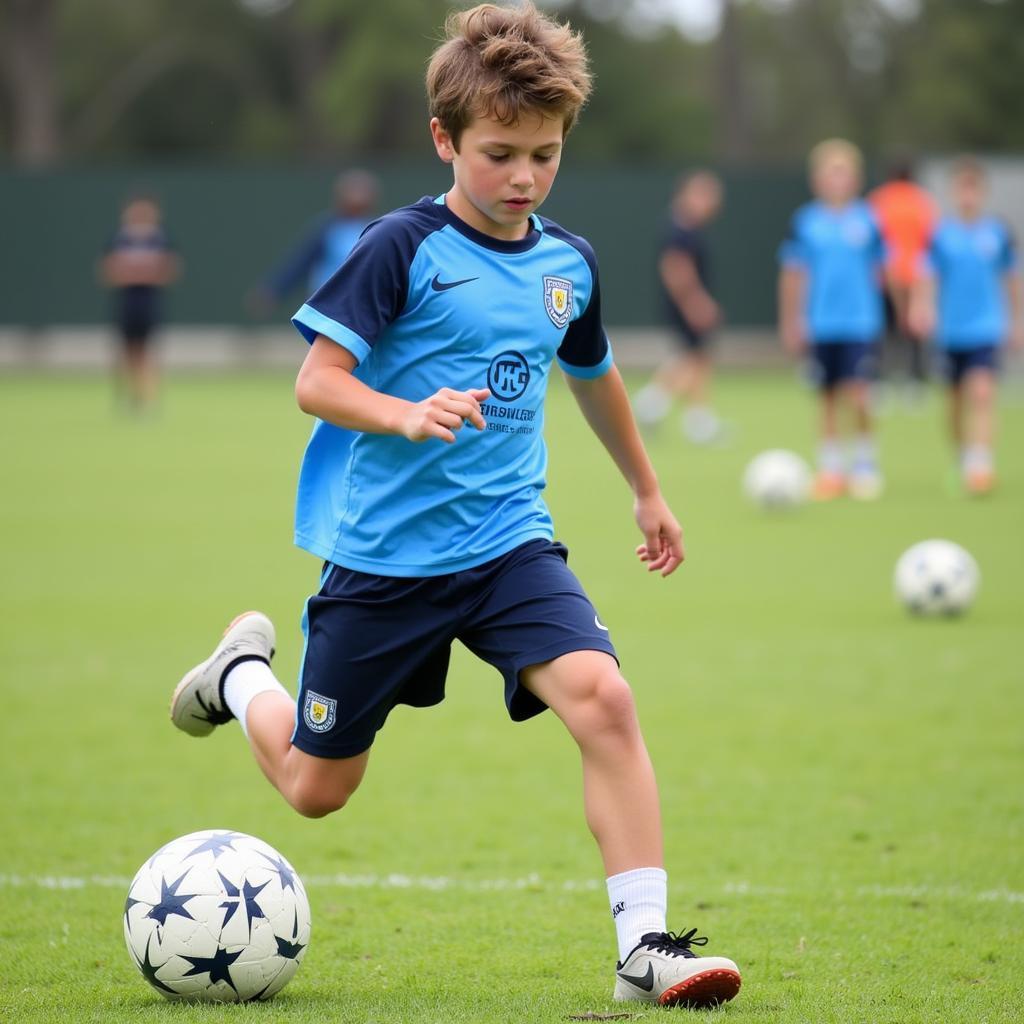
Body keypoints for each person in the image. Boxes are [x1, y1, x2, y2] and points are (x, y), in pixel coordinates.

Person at [169, 2, 741, 1009]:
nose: (523, 177)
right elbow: (317, 379)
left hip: (509, 546)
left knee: (605, 699)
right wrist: (402, 411)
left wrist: (647, 490)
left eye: (545, 155)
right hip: (386, 561)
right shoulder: (401, 246)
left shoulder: (568, 263)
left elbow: (595, 374)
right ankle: (241, 674)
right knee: (315, 789)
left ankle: (644, 947)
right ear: (445, 140)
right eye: (499, 153)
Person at [778, 139, 885, 501]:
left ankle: (866, 464)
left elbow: (882, 269)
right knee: (826, 397)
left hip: (860, 322)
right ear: (817, 180)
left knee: (859, 394)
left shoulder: (869, 220)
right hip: (821, 323)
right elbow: (794, 274)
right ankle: (831, 469)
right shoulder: (806, 222)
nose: (837, 180)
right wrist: (792, 320)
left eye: (844, 173)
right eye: (830, 173)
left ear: (856, 179)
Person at [909, 157, 1023, 495]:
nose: (967, 195)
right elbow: (926, 275)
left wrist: (1017, 321)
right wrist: (921, 308)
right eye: (962, 188)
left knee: (983, 392)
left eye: (973, 188)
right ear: (953, 192)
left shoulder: (998, 233)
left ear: (982, 192)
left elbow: (1011, 279)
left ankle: (981, 466)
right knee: (955, 402)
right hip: (950, 330)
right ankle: (962, 457)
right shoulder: (940, 235)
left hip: (986, 327)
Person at [633, 172, 725, 444]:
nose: (710, 202)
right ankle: (653, 403)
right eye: (703, 194)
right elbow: (675, 268)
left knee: (697, 358)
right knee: (693, 358)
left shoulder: (689, 228)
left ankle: (695, 419)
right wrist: (696, 303)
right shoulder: (680, 229)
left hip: (685, 304)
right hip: (684, 305)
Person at [248, 170, 379, 313]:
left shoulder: (378, 228)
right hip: (326, 301)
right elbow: (301, 263)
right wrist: (274, 291)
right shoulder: (327, 228)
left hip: (362, 303)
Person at [99, 193, 180, 411]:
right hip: (127, 300)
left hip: (149, 300)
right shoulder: (119, 239)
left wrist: (139, 273)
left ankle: (149, 398)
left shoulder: (160, 239)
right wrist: (136, 273)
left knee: (148, 350)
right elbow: (109, 271)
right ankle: (127, 397)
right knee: (126, 350)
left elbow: (169, 270)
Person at [869, 157, 938, 400]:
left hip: (886, 276)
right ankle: (915, 381)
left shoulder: (879, 200)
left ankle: (878, 380)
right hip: (914, 275)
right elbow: (930, 241)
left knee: (883, 330)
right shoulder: (922, 201)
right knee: (914, 330)